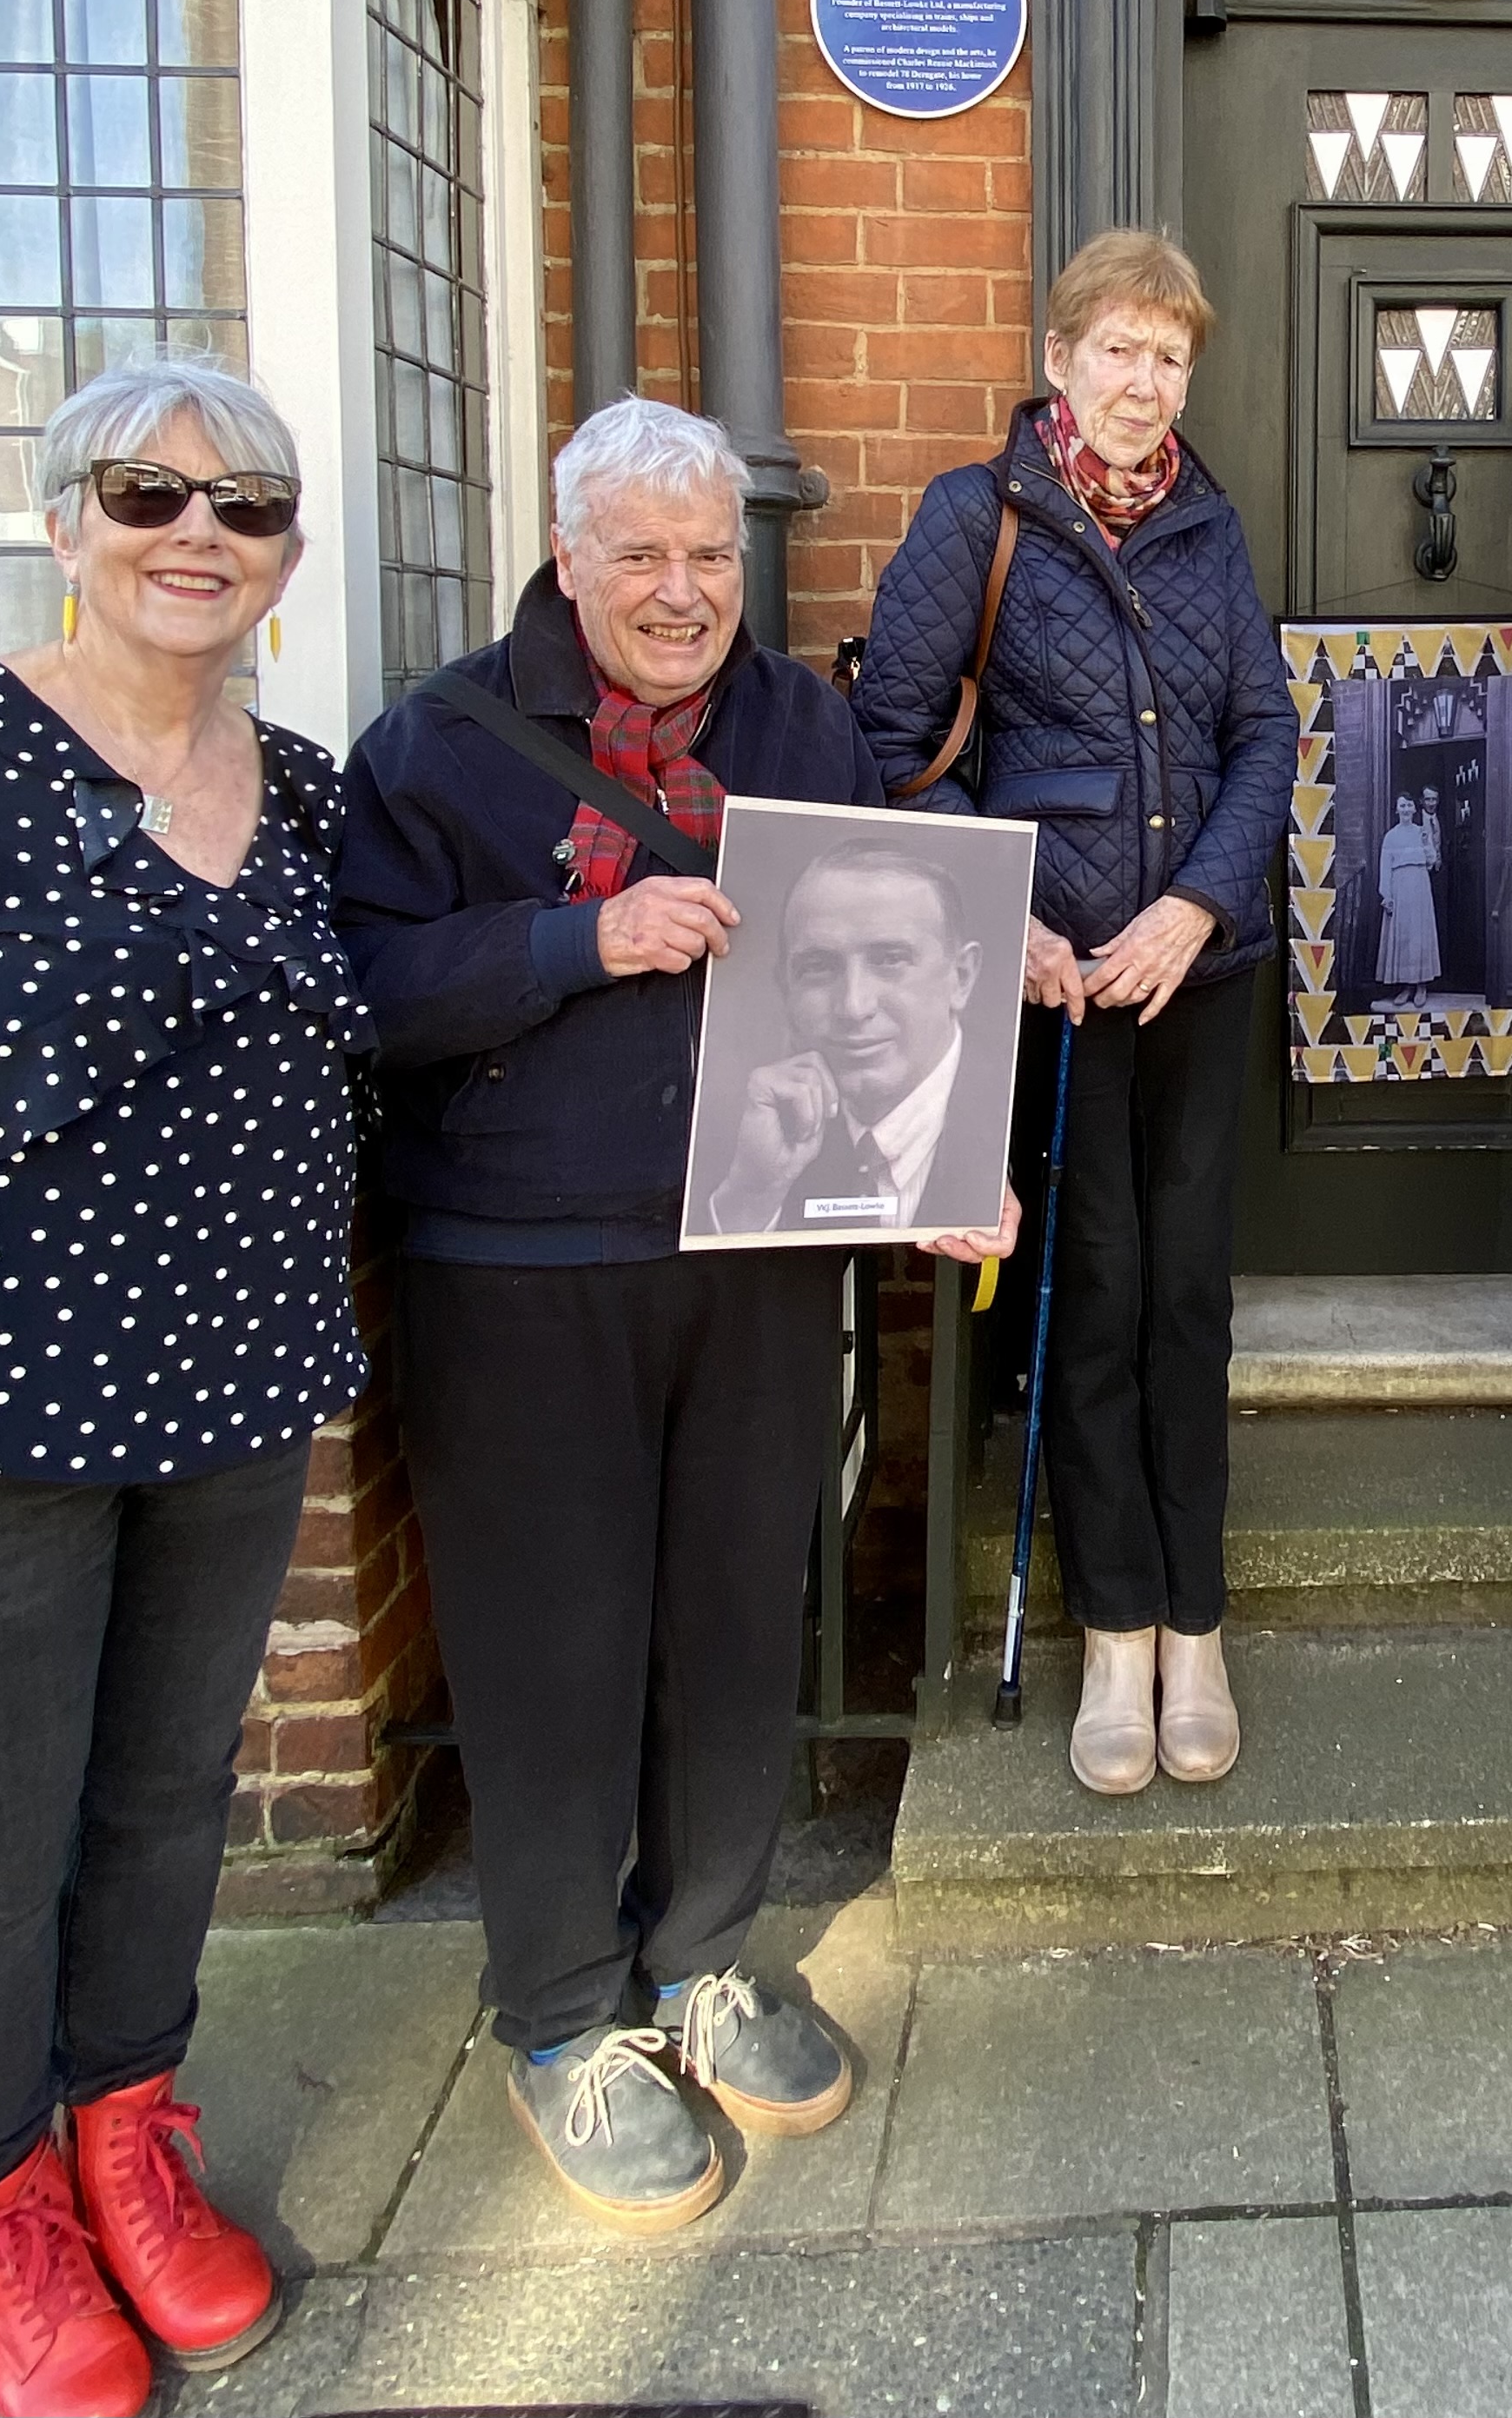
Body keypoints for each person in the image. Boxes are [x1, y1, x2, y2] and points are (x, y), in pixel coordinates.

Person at [335, 394, 1013, 2235]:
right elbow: (367, 990)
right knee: (552, 1642)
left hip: (761, 1253)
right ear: (569, 557)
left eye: (712, 553)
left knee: (733, 1612)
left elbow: (875, 944)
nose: (683, 588)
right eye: (641, 551)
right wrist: (579, 939)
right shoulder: (440, 744)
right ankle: (562, 2012)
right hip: (523, 1260)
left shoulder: (803, 724)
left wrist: (943, 1152)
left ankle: (708, 1949)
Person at [0, 358, 360, 2417]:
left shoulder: (297, 787)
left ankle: (129, 2123)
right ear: (65, 522)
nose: (197, 532)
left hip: (238, 1366)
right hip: (7, 1385)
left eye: (246, 506)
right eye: (150, 494)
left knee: (160, 1781)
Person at [856, 229, 1296, 1799]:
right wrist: (1009, 921)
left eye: (1166, 355)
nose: (1140, 379)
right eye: (1115, 348)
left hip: (1194, 976)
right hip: (1048, 984)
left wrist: (1199, 903)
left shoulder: (1206, 523)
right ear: (1058, 361)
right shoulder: (974, 518)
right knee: (1091, 1294)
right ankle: (1115, 1625)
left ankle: (1198, 1617)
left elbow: (1264, 726)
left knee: (1187, 1293)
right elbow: (893, 748)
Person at [705, 837, 1009, 1236]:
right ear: (785, 988)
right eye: (818, 967)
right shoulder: (749, 1145)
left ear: (962, 977)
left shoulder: (1019, 1116)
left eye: (889, 960)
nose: (853, 1005)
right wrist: (752, 1197)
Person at [1376, 790, 1441, 1006]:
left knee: (1420, 936)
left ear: (1415, 809)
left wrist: (1426, 841)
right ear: (1397, 810)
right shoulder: (1391, 836)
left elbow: (1432, 861)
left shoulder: (1422, 831)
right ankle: (1406, 987)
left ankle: (1422, 986)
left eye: (1409, 805)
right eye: (1401, 806)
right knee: (1404, 936)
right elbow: (1385, 869)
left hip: (1420, 886)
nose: (1405, 809)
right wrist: (1387, 896)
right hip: (1400, 888)